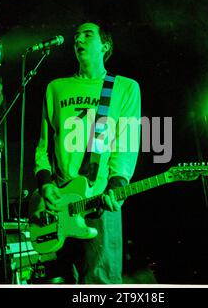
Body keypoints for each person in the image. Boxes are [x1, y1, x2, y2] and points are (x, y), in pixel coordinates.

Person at [30, 22, 141, 284]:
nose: (78, 38)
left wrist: (117, 183)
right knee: (63, 280)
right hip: (58, 206)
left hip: (100, 200)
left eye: (87, 34)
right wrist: (45, 184)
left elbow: (126, 143)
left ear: (105, 46)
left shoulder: (125, 88)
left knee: (100, 281)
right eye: (76, 35)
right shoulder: (56, 87)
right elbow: (44, 146)